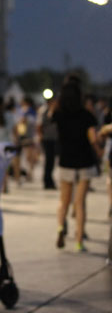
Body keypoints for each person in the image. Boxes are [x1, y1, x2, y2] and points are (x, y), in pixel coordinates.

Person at [52, 81, 102, 252]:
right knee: (80, 203)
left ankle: (60, 227)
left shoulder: (58, 114)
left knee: (64, 201)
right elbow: (93, 138)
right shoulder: (87, 116)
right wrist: (99, 150)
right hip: (85, 163)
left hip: (66, 162)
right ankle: (79, 240)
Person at [37, 97, 58, 190]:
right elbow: (39, 125)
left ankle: (49, 179)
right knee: (48, 159)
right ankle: (47, 180)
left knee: (52, 160)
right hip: (46, 138)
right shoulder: (43, 110)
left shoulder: (57, 110)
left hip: (55, 138)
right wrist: (40, 136)